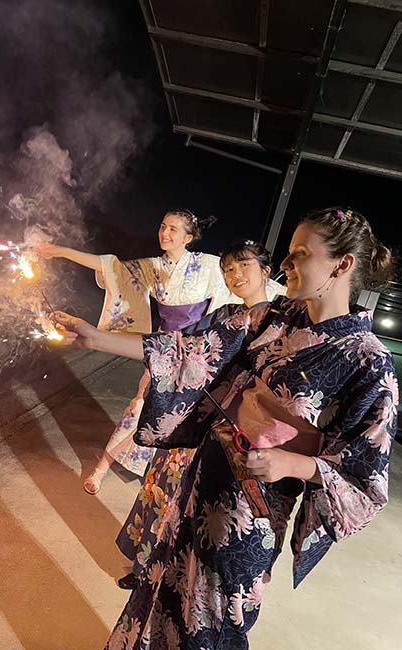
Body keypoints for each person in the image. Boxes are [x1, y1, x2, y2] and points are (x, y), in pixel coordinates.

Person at [52, 207, 397, 650]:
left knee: (211, 624)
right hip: (202, 481)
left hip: (248, 514)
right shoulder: (275, 318)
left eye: (300, 254)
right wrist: (97, 338)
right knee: (161, 595)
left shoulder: (369, 364)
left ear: (342, 264)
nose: (287, 265)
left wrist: (291, 462)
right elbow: (192, 350)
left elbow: (364, 476)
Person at [37, 210, 280, 494]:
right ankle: (102, 467)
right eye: (163, 226)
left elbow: (262, 289)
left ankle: (164, 478)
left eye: (174, 229)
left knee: (188, 419)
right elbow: (113, 269)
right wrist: (61, 251)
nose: (165, 233)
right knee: (142, 405)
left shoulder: (211, 266)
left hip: (200, 349)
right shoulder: (154, 267)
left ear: (188, 238)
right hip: (168, 347)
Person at [115, 240, 276, 590]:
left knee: (190, 509)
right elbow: (179, 346)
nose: (236, 275)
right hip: (191, 415)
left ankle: (169, 573)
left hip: (229, 430)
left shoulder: (277, 323)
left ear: (265, 270)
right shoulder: (223, 315)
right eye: (229, 269)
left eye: (244, 266)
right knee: (160, 491)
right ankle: (142, 566)